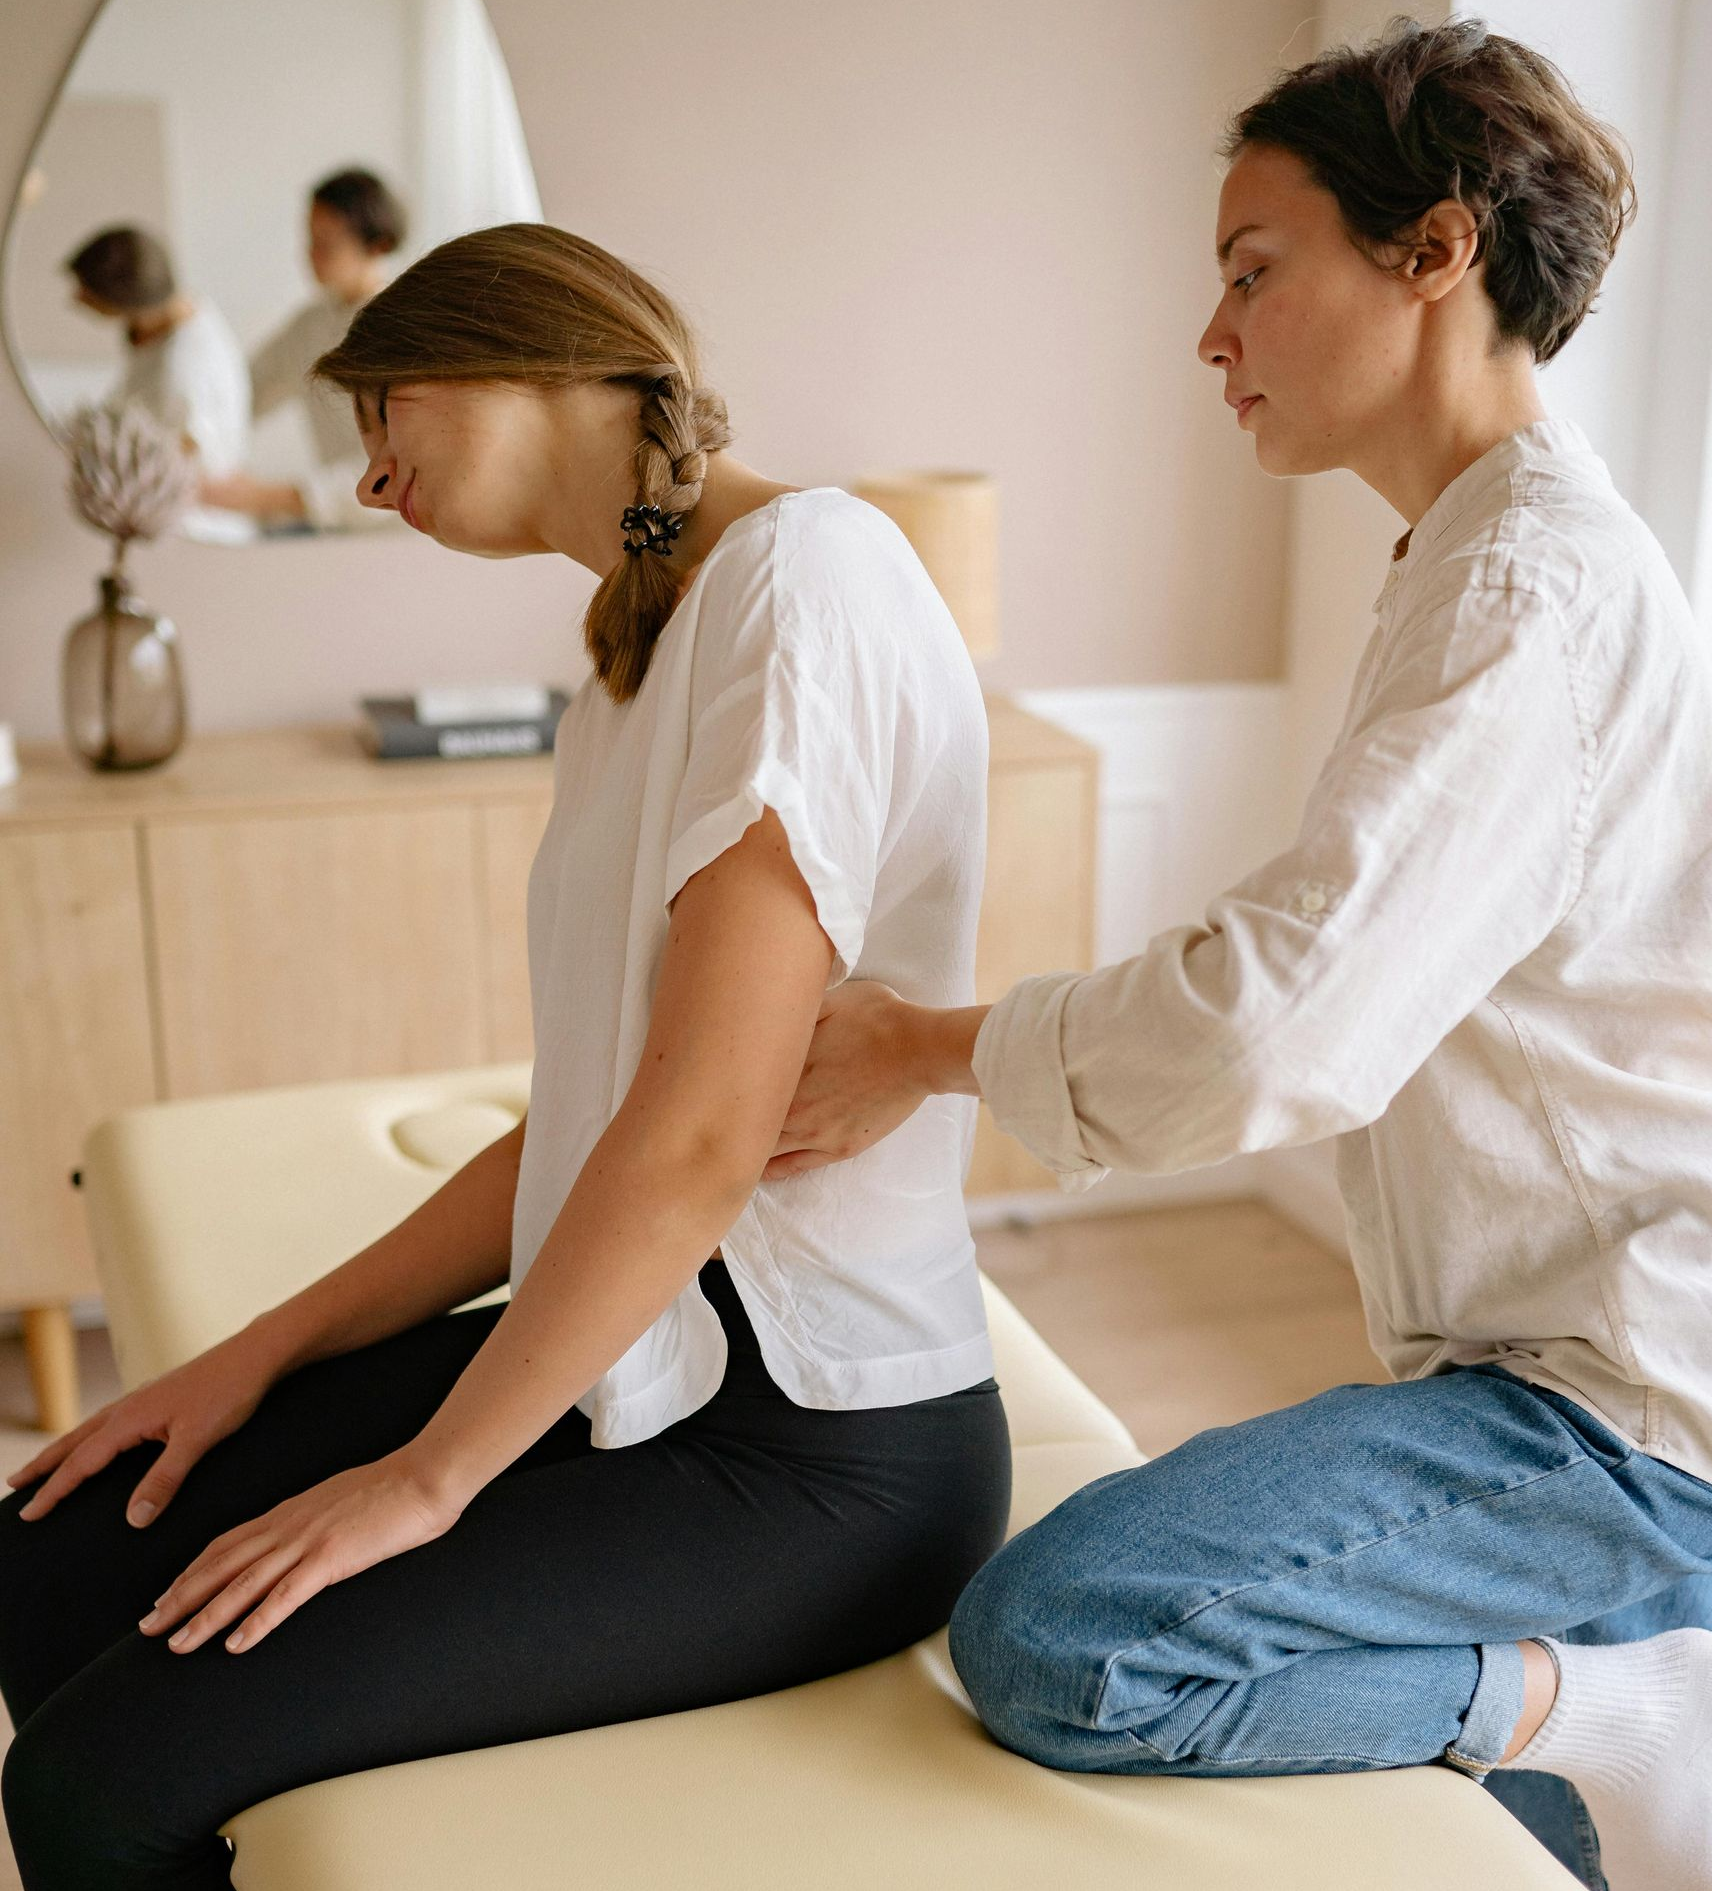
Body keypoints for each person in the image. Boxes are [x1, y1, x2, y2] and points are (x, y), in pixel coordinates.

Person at [766, 20, 1712, 1891]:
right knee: (1590, 1846)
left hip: (1622, 1389)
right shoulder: (1479, 554)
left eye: (1253, 275)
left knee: (1067, 1635)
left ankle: (1626, 1714)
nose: (1212, 337)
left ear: (1435, 252)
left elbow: (1277, 1023)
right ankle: (1622, 1724)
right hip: (1614, 1347)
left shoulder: (1524, 595)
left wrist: (918, 1048)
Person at [0, 221, 1010, 1889]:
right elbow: (589, 1132)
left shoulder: (807, 577)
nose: (368, 474)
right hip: (655, 1358)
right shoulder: (632, 658)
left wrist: (421, 1481)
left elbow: (697, 1140)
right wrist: (251, 1357)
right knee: (46, 1557)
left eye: (382, 407)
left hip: (820, 1449)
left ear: (520, 354)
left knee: (99, 1786)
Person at [201, 169, 409, 531]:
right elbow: (243, 391)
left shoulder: (404, 329)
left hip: (396, 535)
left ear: (376, 245)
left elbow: (403, 467)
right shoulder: (310, 326)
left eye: (326, 243)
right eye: (309, 240)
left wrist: (263, 497)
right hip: (336, 535)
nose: (311, 255)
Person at [66, 223, 250, 509]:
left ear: (122, 299)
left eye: (86, 292)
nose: (76, 299)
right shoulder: (186, 315)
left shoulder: (184, 369)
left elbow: (187, 460)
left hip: (185, 522)